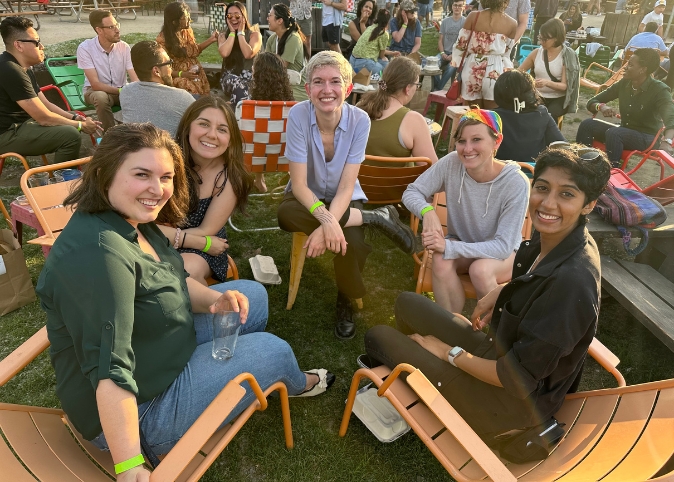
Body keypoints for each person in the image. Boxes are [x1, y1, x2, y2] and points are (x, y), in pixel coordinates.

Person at [36, 123, 335, 480]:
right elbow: (110, 371)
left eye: (166, 177)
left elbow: (172, 279)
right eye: (142, 174)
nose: (157, 189)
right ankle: (295, 381)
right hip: (143, 409)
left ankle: (242, 367)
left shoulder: (132, 219)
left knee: (251, 297)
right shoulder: (100, 256)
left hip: (154, 347)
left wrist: (213, 299)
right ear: (105, 172)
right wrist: (130, 465)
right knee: (273, 349)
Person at [364, 145, 611, 445]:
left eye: (567, 194)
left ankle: (422, 379)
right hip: (499, 351)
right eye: (543, 188)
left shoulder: (572, 284)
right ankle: (415, 374)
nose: (548, 203)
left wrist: (448, 353)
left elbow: (516, 381)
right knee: (407, 303)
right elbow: (538, 282)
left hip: (504, 405)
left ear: (589, 204)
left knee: (377, 335)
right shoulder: (557, 239)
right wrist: (503, 289)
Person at [277, 51, 416, 340]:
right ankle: (373, 217)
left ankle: (345, 301)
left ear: (348, 88)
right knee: (285, 213)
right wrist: (327, 222)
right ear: (308, 89)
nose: (326, 90)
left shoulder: (360, 120)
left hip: (345, 196)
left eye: (334, 82)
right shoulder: (298, 115)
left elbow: (345, 186)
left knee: (350, 242)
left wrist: (326, 225)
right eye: (318, 82)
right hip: (308, 196)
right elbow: (300, 185)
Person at [402, 108, 530, 314]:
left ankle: (496, 335)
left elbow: (504, 246)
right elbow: (412, 192)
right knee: (441, 260)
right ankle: (451, 327)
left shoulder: (515, 182)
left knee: (480, 270)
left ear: (497, 141)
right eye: (461, 141)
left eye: (476, 139)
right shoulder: (452, 163)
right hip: (462, 241)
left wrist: (450, 247)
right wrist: (428, 211)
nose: (467, 148)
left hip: (503, 254)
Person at [155, 95, 249, 285]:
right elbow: (136, 223)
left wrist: (167, 236)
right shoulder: (165, 162)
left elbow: (207, 231)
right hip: (165, 239)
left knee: (182, 272)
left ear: (230, 140)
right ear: (188, 126)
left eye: (222, 129)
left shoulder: (229, 177)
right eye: (204, 124)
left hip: (205, 247)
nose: (212, 135)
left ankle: (207, 312)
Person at [0, 17, 101, 163]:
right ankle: (63, 179)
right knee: (70, 135)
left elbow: (46, 104)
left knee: (71, 120)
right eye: (36, 42)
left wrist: (73, 118)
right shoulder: (10, 69)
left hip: (20, 126)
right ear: (19, 45)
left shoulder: (22, 67)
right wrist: (80, 126)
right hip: (6, 134)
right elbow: (44, 118)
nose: (42, 46)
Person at [576, 48, 674, 167]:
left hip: (647, 137)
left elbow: (671, 120)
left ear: (643, 70)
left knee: (614, 133)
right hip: (623, 130)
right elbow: (592, 101)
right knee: (587, 124)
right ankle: (582, 164)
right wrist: (601, 106)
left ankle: (610, 171)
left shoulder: (659, 90)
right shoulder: (624, 83)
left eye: (631, 65)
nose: (625, 67)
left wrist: (666, 142)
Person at [357, 56, 438, 162]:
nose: (416, 88)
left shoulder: (359, 108)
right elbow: (432, 169)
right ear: (408, 88)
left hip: (357, 178)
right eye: (417, 85)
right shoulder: (413, 120)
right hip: (402, 179)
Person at [77, 10, 138, 132]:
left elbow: (134, 76)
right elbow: (95, 84)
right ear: (99, 30)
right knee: (101, 97)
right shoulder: (85, 48)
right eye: (111, 27)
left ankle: (136, 134)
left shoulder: (124, 47)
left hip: (120, 91)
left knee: (139, 93)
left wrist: (136, 89)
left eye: (117, 25)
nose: (117, 30)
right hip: (94, 91)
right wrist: (122, 90)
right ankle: (110, 136)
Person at [120, 41, 195, 137]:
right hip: (167, 151)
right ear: (156, 71)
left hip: (133, 149)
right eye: (169, 64)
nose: (171, 69)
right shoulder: (183, 98)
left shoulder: (126, 92)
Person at [452, 0, 517, 108]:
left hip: (472, 68)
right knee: (492, 116)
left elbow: (460, 46)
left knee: (473, 116)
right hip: (495, 70)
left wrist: (457, 66)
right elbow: (506, 54)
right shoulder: (512, 23)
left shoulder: (473, 16)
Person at [493, 70, 565, 164]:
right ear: (531, 93)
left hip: (500, 172)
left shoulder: (492, 116)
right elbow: (561, 145)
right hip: (533, 172)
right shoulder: (541, 113)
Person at [247, 52, 294, 193]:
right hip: (283, 156)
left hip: (255, 155)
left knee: (258, 136)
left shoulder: (249, 107)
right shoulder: (292, 107)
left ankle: (259, 179)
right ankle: (292, 175)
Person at [518, 18, 580, 123]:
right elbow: (519, 72)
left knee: (547, 117)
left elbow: (565, 86)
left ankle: (549, 139)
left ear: (556, 38)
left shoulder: (567, 56)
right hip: (537, 96)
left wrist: (547, 83)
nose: (541, 42)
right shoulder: (536, 53)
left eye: (545, 39)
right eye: (540, 37)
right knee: (523, 114)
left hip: (558, 99)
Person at [157, 2, 218, 98]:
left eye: (188, 15)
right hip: (178, 77)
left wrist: (212, 39)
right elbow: (164, 69)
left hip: (194, 72)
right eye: (185, 17)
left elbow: (195, 50)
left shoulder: (186, 31)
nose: (190, 19)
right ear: (174, 22)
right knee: (192, 95)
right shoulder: (162, 40)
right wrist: (183, 74)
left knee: (203, 96)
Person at [218, 1, 262, 106]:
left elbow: (248, 53)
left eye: (237, 16)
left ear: (244, 16)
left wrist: (240, 33)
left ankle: (236, 105)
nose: (233, 19)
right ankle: (243, 109)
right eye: (229, 16)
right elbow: (224, 52)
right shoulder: (223, 36)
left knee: (249, 86)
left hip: (249, 77)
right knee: (235, 81)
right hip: (230, 79)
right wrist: (233, 33)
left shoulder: (255, 35)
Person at [265, 3, 310, 102]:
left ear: (280, 21)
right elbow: (265, 63)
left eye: (270, 16)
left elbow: (280, 67)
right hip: (280, 89)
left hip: (296, 93)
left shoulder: (293, 38)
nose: (267, 19)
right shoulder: (272, 39)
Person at [349, 9, 396, 76]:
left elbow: (374, 49)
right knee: (386, 69)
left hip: (352, 60)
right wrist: (385, 59)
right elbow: (381, 55)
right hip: (364, 63)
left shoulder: (370, 28)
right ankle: (383, 85)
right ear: (388, 22)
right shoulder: (384, 34)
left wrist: (392, 53)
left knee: (383, 63)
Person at [433, 0, 465, 91]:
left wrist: (454, 55)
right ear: (452, 7)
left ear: (463, 7)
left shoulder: (465, 22)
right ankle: (437, 88)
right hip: (444, 52)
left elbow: (465, 43)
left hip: (457, 54)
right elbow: (440, 40)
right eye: (455, 5)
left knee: (451, 67)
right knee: (433, 64)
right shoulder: (445, 21)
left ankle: (437, 89)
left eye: (459, 6)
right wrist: (442, 52)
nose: (457, 8)